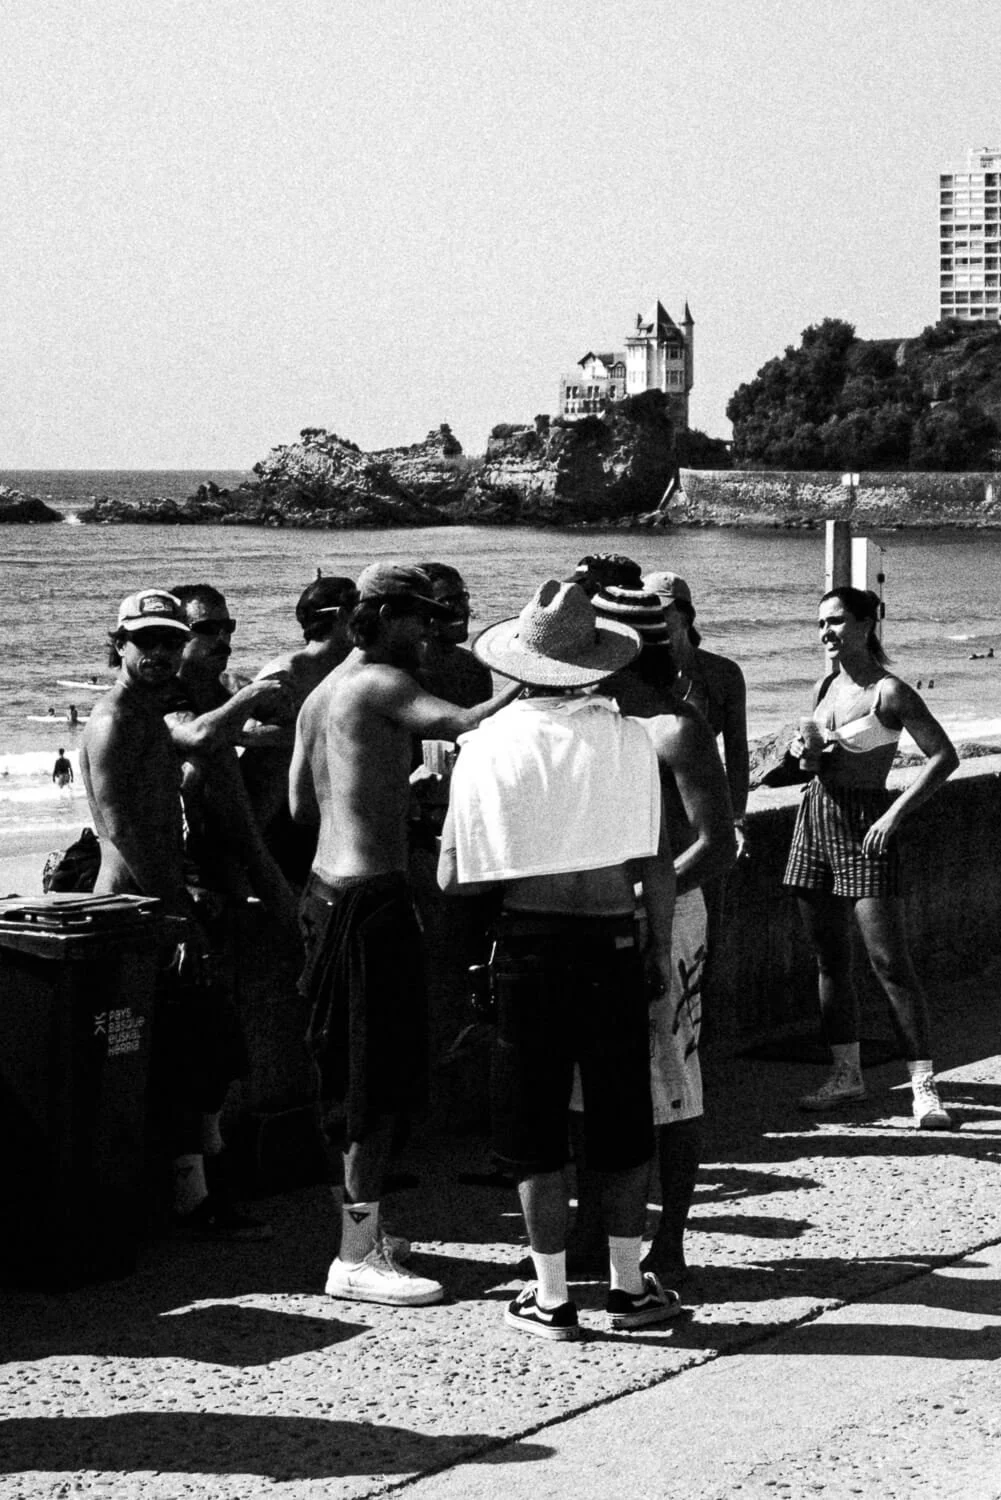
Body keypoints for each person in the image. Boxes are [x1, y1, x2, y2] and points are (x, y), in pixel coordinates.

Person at [438, 579, 681, 1340]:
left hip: (528, 946)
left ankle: (550, 1297)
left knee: (533, 1125)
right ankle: (627, 1287)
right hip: (611, 937)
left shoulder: (482, 749)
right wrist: (658, 952)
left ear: (519, 666)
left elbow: (454, 875)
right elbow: (656, 863)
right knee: (620, 1124)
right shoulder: (629, 739)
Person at [289, 562, 522, 1308]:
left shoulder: (320, 694)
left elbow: (300, 805)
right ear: (383, 614)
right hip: (370, 903)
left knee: (351, 1072)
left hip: (326, 895)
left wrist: (375, 801)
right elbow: (461, 721)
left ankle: (366, 1229)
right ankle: (355, 1257)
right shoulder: (380, 684)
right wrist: (543, 675)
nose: (430, 630)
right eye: (419, 616)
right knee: (374, 1082)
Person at [80, 590, 265, 1238]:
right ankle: (193, 1197)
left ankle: (200, 1186)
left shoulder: (149, 716)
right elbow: (123, 829)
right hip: (135, 915)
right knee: (187, 1054)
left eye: (169, 641)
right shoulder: (113, 722)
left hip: (160, 906)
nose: (159, 653)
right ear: (118, 645)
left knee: (203, 1050)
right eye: (145, 642)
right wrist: (177, 916)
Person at [567, 583, 736, 1286]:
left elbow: (715, 843)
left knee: (673, 1080)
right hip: (599, 914)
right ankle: (586, 1232)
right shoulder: (591, 720)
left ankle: (671, 1238)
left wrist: (649, 899)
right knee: (584, 1083)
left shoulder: (674, 726)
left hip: (671, 918)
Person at [784, 586, 959, 1129]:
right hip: (815, 821)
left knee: (889, 962)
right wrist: (801, 757)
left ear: (866, 623)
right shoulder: (826, 685)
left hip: (866, 827)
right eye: (820, 625)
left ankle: (924, 1087)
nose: (826, 634)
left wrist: (893, 815)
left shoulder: (890, 692)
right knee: (828, 959)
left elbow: (944, 756)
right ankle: (846, 1076)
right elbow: (813, 767)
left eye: (835, 622)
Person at [240, 575, 359, 884]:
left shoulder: (350, 666)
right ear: (341, 616)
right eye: (358, 608)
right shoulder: (289, 670)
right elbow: (246, 734)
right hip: (281, 811)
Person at [642, 571, 749, 832]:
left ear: (686, 616)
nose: (651, 619)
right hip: (648, 803)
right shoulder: (635, 673)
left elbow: (736, 751)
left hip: (704, 804)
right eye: (645, 612)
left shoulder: (723, 674)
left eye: (660, 611)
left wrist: (737, 817)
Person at [417, 562, 493, 708]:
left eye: (462, 598)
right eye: (446, 602)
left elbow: (482, 727)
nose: (460, 610)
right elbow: (464, 722)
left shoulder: (474, 667)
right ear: (420, 611)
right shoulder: (403, 674)